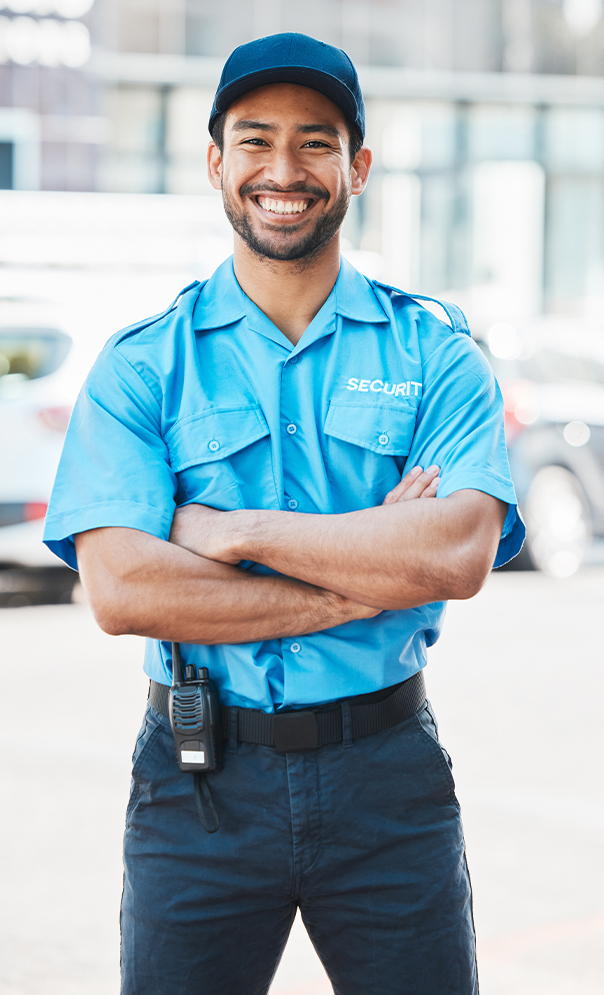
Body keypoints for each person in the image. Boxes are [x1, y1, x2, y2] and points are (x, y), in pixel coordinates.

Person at [44, 32, 524, 995]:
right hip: (200, 785)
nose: (285, 170)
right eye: (255, 140)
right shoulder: (143, 365)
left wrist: (231, 532)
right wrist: (367, 577)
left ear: (358, 169)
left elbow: (458, 551)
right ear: (217, 161)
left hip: (386, 774)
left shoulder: (435, 354)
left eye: (316, 142)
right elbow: (125, 587)